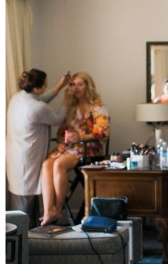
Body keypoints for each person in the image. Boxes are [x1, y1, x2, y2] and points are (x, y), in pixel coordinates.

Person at [40, 72, 110, 225]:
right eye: (73, 84)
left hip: (89, 148)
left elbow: (103, 131)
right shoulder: (71, 107)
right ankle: (47, 211)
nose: (76, 87)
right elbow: (61, 132)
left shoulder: (97, 106)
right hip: (68, 147)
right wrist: (60, 141)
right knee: (46, 164)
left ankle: (58, 209)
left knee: (59, 164)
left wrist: (81, 137)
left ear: (87, 86)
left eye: (80, 84)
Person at [6, 68, 71, 228]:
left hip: (15, 154)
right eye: (45, 84)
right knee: (24, 207)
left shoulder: (18, 98)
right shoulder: (36, 108)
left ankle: (28, 235)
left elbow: (41, 99)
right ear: (36, 87)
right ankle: (25, 236)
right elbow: (56, 119)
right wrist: (66, 102)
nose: (47, 86)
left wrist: (60, 85)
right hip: (27, 157)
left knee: (20, 198)